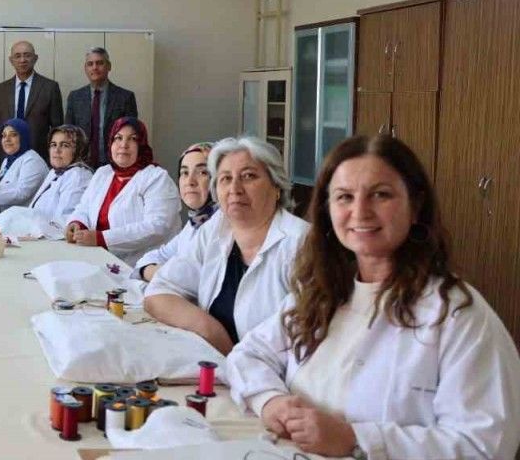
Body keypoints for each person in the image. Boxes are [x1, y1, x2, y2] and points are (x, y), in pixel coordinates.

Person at [227, 135, 520, 459]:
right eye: (344, 197)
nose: (360, 212)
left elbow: (485, 446)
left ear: (416, 206)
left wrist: (357, 439)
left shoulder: (457, 314)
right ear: (328, 210)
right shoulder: (320, 294)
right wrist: (271, 401)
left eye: (381, 194)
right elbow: (249, 355)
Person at [143, 137, 308, 353]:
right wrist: (211, 331)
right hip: (218, 362)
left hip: (275, 372)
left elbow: (305, 346)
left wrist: (233, 360)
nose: (234, 189)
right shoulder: (217, 227)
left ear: (276, 186)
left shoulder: (302, 244)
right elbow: (158, 292)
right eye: (225, 178)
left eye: (248, 176)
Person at [64, 118, 179, 266]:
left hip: (141, 265)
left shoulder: (157, 178)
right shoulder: (103, 173)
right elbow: (84, 207)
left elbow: (156, 227)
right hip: (97, 257)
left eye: (133, 139)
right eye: (118, 138)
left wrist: (102, 239)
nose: (123, 145)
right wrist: (77, 223)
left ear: (141, 145)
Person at [135, 142, 219, 281]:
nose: (190, 181)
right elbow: (155, 257)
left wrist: (154, 272)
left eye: (203, 172)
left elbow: (191, 280)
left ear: (219, 179)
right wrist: (150, 270)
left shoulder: (223, 226)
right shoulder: (194, 223)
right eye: (184, 173)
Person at [0, 40, 63, 175]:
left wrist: (53, 163)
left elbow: (58, 129)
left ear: (35, 58)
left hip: (39, 161)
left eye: (27, 55)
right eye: (18, 56)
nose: (22, 60)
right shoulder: (0, 90)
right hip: (5, 161)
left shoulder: (50, 88)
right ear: (11, 60)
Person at [64, 47, 137, 169]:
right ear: (85, 68)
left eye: (99, 63)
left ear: (109, 66)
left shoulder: (125, 97)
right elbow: (68, 133)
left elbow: (131, 135)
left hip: (115, 163)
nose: (95, 67)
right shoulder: (75, 97)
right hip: (81, 164)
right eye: (90, 64)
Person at [21, 125, 95, 236]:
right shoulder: (54, 172)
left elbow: (65, 220)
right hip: (38, 235)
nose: (57, 150)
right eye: (53, 145)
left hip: (56, 240)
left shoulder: (78, 175)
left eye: (65, 145)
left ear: (79, 149)